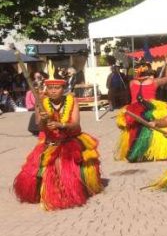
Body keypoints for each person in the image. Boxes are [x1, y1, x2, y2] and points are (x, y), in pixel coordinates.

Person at [13, 64, 103, 210]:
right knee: (35, 170)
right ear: (46, 89)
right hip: (50, 142)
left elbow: (75, 124)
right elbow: (40, 126)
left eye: (57, 88)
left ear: (63, 89)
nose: (53, 91)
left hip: (70, 140)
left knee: (67, 167)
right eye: (50, 88)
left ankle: (73, 189)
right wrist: (43, 119)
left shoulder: (72, 101)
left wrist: (60, 125)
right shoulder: (41, 102)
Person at [115, 57, 167, 163]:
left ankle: (135, 152)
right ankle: (151, 152)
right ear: (148, 71)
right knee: (153, 128)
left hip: (133, 109)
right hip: (150, 109)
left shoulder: (132, 83)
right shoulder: (154, 82)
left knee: (134, 130)